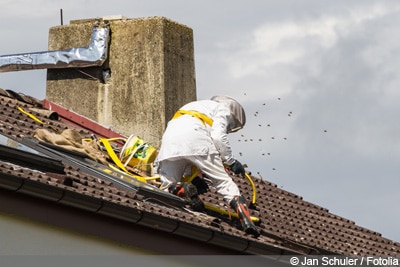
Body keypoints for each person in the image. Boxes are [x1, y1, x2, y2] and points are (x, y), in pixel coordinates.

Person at [154, 95, 260, 237]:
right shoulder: (223, 110)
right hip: (197, 139)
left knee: (166, 187)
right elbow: (217, 136)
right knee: (224, 183)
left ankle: (181, 188)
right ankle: (247, 223)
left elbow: (186, 153)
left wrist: (194, 180)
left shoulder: (194, 106)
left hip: (170, 142)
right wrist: (231, 161)